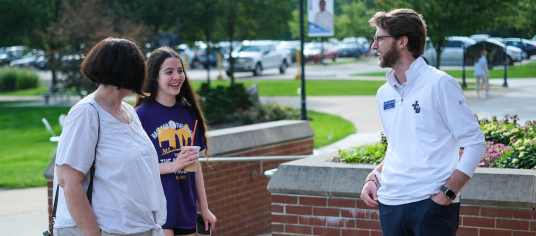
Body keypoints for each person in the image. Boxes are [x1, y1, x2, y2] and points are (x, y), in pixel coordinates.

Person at [360, 9, 486, 236]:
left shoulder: (440, 84)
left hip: (431, 207)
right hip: (390, 205)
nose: (373, 46)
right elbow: (398, 148)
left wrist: (447, 194)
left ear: (402, 41)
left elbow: (475, 143)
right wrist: (374, 178)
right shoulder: (383, 93)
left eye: (379, 38)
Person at [53, 38, 167, 236]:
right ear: (127, 71)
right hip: (106, 230)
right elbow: (68, 181)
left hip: (137, 227)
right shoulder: (86, 113)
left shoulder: (130, 112)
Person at [135, 46, 217, 236]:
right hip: (156, 210)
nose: (177, 77)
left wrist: (204, 208)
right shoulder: (141, 116)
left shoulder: (189, 113)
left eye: (180, 71)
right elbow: (138, 168)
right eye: (169, 72)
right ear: (155, 76)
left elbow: (194, 165)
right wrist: (173, 165)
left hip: (185, 207)